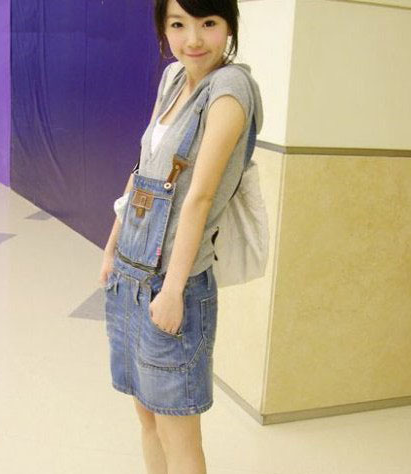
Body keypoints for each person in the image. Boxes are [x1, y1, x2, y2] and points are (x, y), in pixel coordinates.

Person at [99, 1, 263, 472]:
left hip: (174, 285)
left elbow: (200, 197)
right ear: (163, 29)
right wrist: (112, 246)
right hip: (130, 274)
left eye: (208, 23)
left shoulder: (230, 90)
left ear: (229, 26)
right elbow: (143, 168)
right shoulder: (173, 78)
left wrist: (171, 291)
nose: (193, 39)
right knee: (147, 417)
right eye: (178, 24)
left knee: (179, 435)